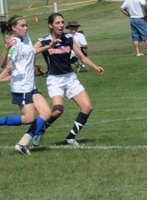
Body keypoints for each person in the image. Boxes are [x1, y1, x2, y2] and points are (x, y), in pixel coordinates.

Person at [33, 13, 105, 146]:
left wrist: (95, 66)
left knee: (87, 107)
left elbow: (82, 57)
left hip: (70, 77)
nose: (61, 25)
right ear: (50, 25)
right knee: (58, 110)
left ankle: (70, 137)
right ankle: (40, 131)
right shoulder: (43, 41)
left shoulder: (69, 38)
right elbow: (29, 52)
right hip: (55, 79)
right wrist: (35, 64)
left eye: (62, 22)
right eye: (57, 23)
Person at [0, 15, 55, 154]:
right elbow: (4, 64)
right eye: (23, 26)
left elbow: (32, 51)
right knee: (29, 118)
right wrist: (6, 48)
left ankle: (22, 144)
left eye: (26, 25)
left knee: (46, 113)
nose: (26, 28)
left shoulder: (26, 37)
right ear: (14, 28)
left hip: (31, 85)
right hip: (21, 87)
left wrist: (49, 46)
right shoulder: (13, 44)